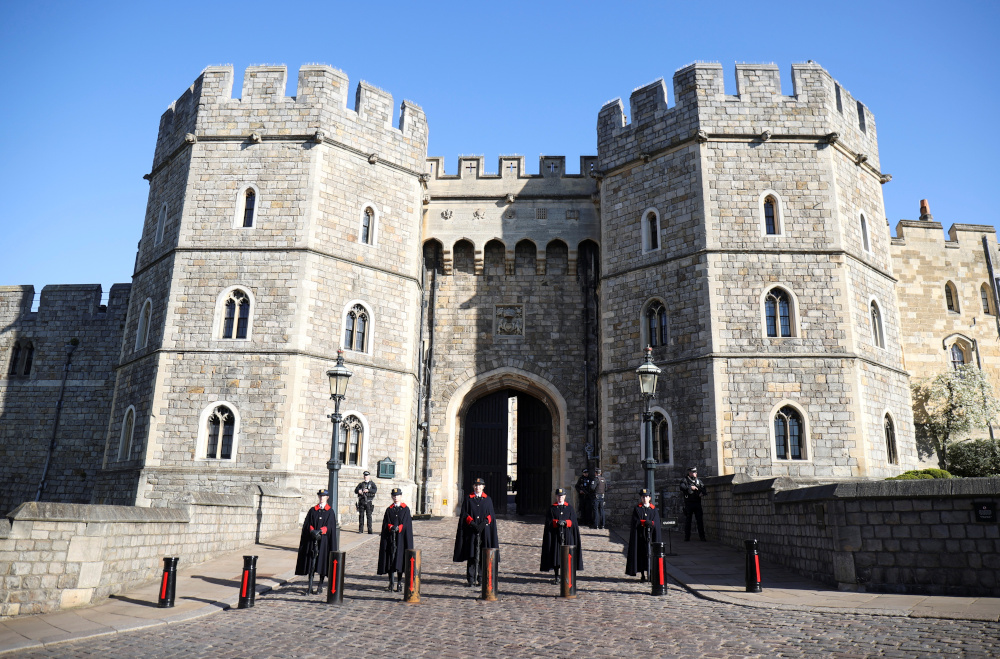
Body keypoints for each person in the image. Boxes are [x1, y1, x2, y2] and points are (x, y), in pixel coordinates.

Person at [453, 477, 500, 587]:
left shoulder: (487, 499)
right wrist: (473, 524)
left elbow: (491, 515)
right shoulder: (469, 499)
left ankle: (481, 577)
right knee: (472, 554)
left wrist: (483, 524)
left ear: (483, 487)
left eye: (479, 485)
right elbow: (465, 514)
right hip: (472, 531)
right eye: (476, 485)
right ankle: (471, 578)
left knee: (483, 554)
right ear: (473, 487)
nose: (477, 487)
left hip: (484, 531)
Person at [295, 489, 338, 593]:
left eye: (323, 496)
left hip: (323, 540)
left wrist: (321, 531)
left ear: (327, 497)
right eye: (320, 496)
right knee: (311, 563)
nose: (321, 498)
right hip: (312, 540)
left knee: (322, 562)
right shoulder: (313, 510)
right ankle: (309, 585)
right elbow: (308, 523)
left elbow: (330, 526)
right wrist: (312, 530)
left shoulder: (330, 511)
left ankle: (320, 585)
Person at [540, 488, 583, 583]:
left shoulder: (570, 508)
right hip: (556, 536)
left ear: (565, 496)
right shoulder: (552, 509)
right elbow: (549, 522)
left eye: (562, 496)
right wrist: (557, 522)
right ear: (556, 496)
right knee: (556, 556)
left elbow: (574, 522)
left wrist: (566, 523)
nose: (560, 498)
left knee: (568, 556)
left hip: (567, 535)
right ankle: (557, 576)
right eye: (559, 496)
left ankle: (567, 575)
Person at [376, 487, 414, 592]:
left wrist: (400, 528)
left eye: (397, 495)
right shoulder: (389, 509)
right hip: (390, 539)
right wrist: (390, 527)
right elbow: (385, 523)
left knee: (400, 560)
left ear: (401, 496)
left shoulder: (405, 509)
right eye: (394, 496)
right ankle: (391, 582)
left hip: (401, 539)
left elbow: (407, 523)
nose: (395, 497)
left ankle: (399, 582)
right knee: (390, 560)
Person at [625, 488, 662, 582]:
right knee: (641, 555)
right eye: (643, 497)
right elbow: (635, 522)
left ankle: (650, 572)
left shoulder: (653, 509)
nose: (645, 499)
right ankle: (642, 574)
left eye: (646, 497)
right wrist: (643, 522)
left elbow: (657, 522)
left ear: (649, 498)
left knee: (650, 555)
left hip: (650, 536)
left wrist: (652, 524)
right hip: (641, 536)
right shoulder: (637, 509)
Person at [680, 465, 707, 541]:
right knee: (688, 521)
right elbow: (682, 487)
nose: (694, 474)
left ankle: (702, 537)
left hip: (697, 503)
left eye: (695, 472)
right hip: (689, 503)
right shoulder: (685, 480)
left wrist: (702, 493)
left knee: (700, 521)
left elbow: (704, 490)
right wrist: (690, 487)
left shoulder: (698, 481)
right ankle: (687, 537)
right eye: (693, 472)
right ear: (689, 473)